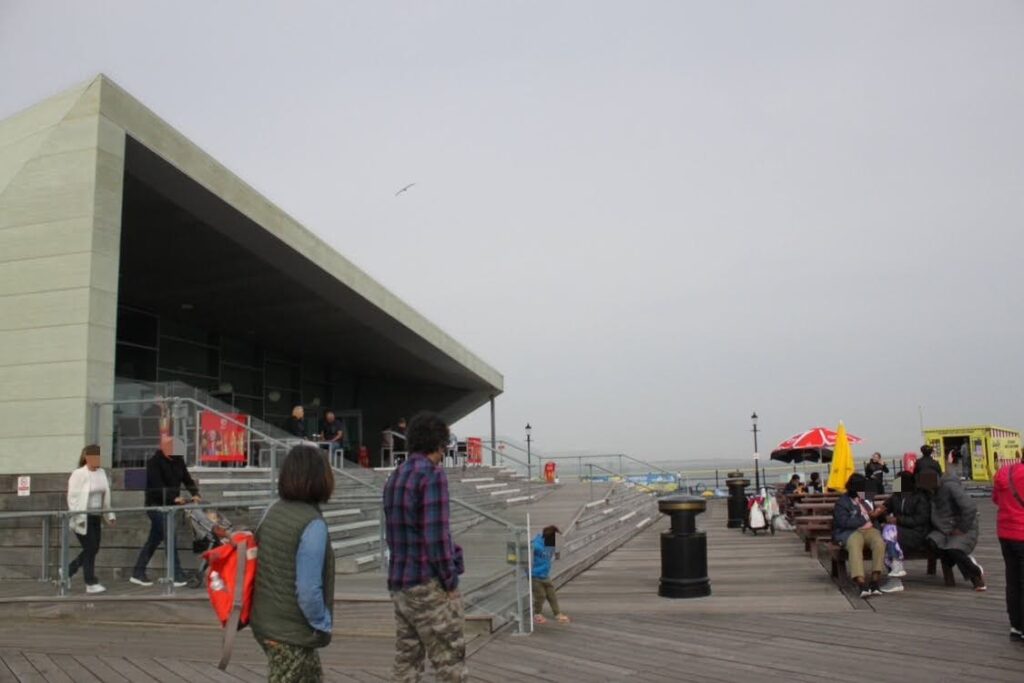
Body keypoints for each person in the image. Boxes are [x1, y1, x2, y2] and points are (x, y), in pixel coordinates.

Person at [382, 412, 467, 682]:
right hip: (427, 585)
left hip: (400, 583)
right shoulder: (432, 476)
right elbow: (437, 537)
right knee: (449, 662)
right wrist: (450, 582)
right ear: (440, 444)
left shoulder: (396, 476)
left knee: (407, 661)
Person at [251, 445, 335, 682]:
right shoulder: (312, 524)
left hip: (265, 623)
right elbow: (308, 591)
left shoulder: (271, 511)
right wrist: (322, 623)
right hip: (291, 631)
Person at [130, 448, 200, 586]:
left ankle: (138, 572)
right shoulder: (154, 462)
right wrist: (174, 497)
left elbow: (187, 478)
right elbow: (156, 486)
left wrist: (194, 493)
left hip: (170, 507)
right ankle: (175, 575)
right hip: (155, 505)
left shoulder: (178, 460)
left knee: (154, 539)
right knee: (170, 536)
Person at [919, 454, 986, 591]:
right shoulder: (929, 491)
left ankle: (976, 574)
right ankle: (960, 561)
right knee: (931, 543)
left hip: (963, 527)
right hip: (943, 528)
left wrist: (962, 527)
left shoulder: (950, 487)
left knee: (953, 550)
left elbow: (970, 507)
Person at [65, 445, 116, 594]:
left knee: (93, 548)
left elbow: (106, 497)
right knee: (91, 548)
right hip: (82, 517)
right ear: (86, 457)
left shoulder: (102, 473)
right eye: (94, 456)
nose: (97, 459)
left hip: (96, 516)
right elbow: (72, 497)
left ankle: (68, 571)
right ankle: (90, 582)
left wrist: (110, 515)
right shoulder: (78, 474)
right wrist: (77, 515)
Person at [832, 473, 888, 597]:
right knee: (855, 544)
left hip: (869, 530)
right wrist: (868, 516)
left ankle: (875, 580)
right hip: (850, 532)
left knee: (879, 542)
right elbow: (844, 523)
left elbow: (875, 516)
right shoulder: (842, 503)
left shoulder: (866, 497)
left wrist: (880, 513)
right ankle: (861, 582)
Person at [993, 460, 1024, 641]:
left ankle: (1016, 625)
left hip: (1005, 533)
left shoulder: (1005, 471)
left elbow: (996, 499)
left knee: (1012, 580)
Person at [532, 525, 570, 624]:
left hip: (545, 574)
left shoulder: (551, 544)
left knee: (552, 594)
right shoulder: (535, 545)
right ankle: (537, 614)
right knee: (541, 595)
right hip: (535, 575)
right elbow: (523, 555)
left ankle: (557, 613)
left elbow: (556, 553)